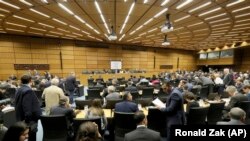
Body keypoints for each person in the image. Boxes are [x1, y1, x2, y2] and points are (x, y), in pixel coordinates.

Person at [15, 75, 41, 141]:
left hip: (21, 118)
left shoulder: (19, 89)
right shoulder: (28, 91)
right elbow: (27, 107)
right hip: (29, 121)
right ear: (30, 81)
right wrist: (27, 120)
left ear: (21, 81)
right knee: (31, 137)